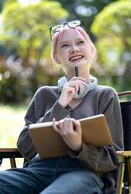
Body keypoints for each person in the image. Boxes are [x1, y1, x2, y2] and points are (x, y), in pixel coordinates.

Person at [0, 20, 124, 194]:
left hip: (83, 174)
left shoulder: (105, 95)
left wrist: (78, 146)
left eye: (80, 42)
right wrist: (60, 105)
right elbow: (25, 148)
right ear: (56, 57)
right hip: (38, 171)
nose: (74, 49)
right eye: (65, 45)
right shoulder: (44, 95)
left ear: (92, 50)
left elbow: (112, 160)